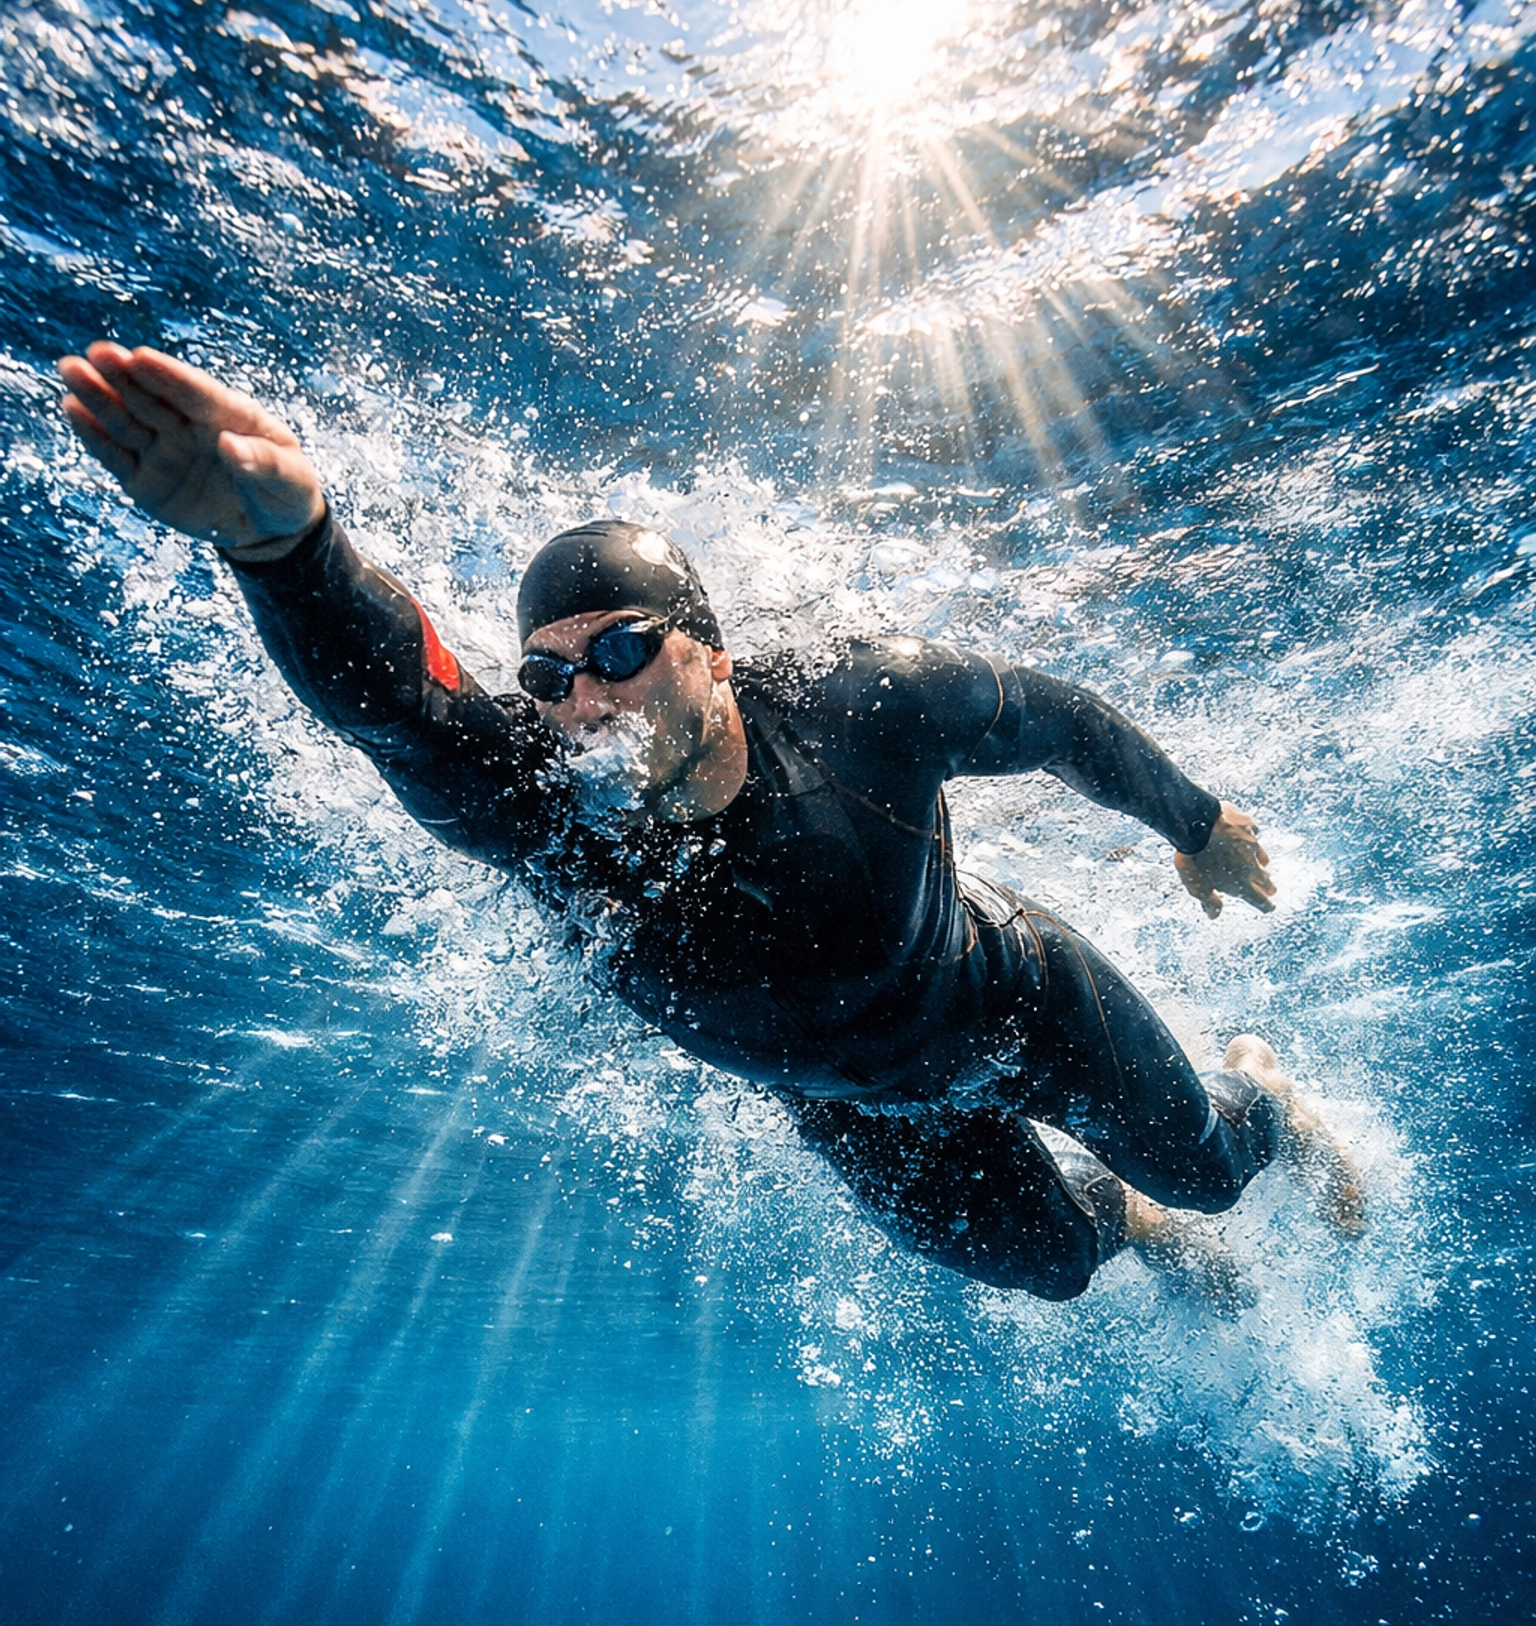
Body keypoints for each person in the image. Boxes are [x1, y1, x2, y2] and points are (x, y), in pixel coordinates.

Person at [58, 341, 1361, 1300]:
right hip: (857, 1111)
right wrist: (290, 552)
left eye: (622, 646)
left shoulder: (861, 706)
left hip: (1009, 1000)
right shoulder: (540, 810)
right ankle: (1130, 1224)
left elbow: (1055, 720)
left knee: (1212, 1169)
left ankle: (1264, 1096)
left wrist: (1192, 822)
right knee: (1065, 1265)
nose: (586, 695)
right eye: (550, 674)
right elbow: (400, 705)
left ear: (714, 657)